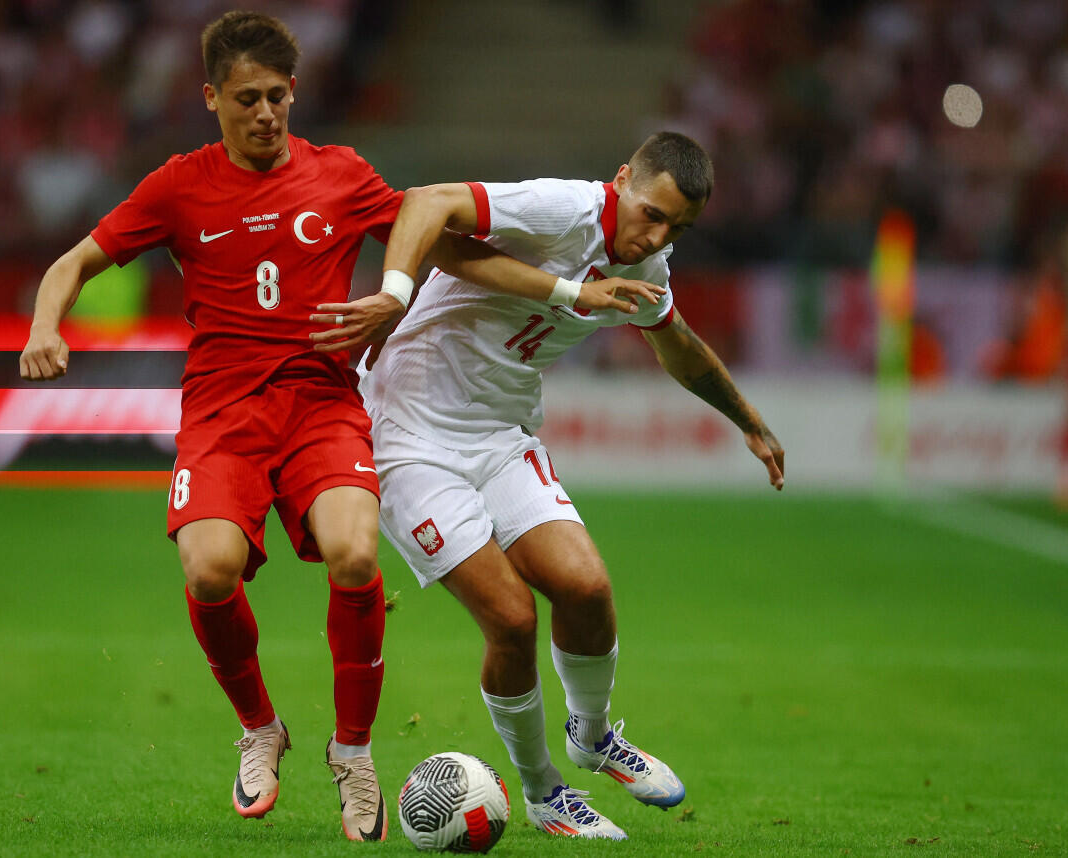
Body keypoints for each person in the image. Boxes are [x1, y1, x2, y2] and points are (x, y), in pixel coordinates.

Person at [18, 10, 649, 842]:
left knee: (354, 553)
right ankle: (260, 728)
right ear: (211, 97)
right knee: (210, 572)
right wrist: (44, 327)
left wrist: (565, 294)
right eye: (247, 99)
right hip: (221, 414)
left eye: (279, 96)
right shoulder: (178, 185)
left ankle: (353, 752)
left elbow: (446, 247)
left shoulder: (341, 174)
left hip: (322, 405)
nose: (266, 115)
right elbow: (75, 261)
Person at [313, 131, 785, 839]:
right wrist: (393, 294)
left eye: (678, 228)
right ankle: (541, 792)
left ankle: (592, 738)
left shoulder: (650, 258)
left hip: (501, 436)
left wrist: (748, 421)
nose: (656, 235)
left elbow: (675, 339)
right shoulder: (559, 209)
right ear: (622, 180)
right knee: (511, 619)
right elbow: (426, 203)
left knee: (588, 589)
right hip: (408, 437)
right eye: (651, 213)